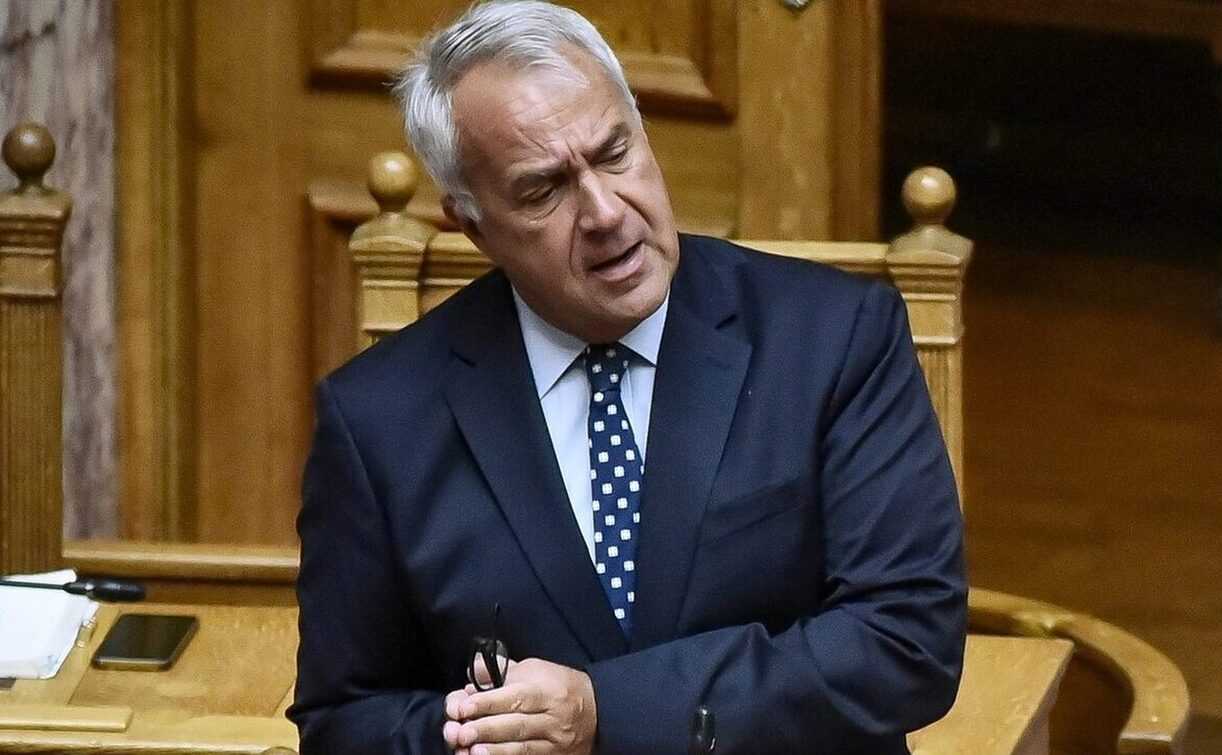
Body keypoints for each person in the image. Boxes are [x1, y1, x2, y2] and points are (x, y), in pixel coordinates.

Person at [288, 2, 966, 753]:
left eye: (615, 153)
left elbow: (906, 640)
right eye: (544, 190)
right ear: (473, 225)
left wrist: (604, 711)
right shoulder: (378, 419)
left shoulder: (833, 337)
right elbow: (344, 721)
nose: (607, 212)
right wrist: (494, 733)